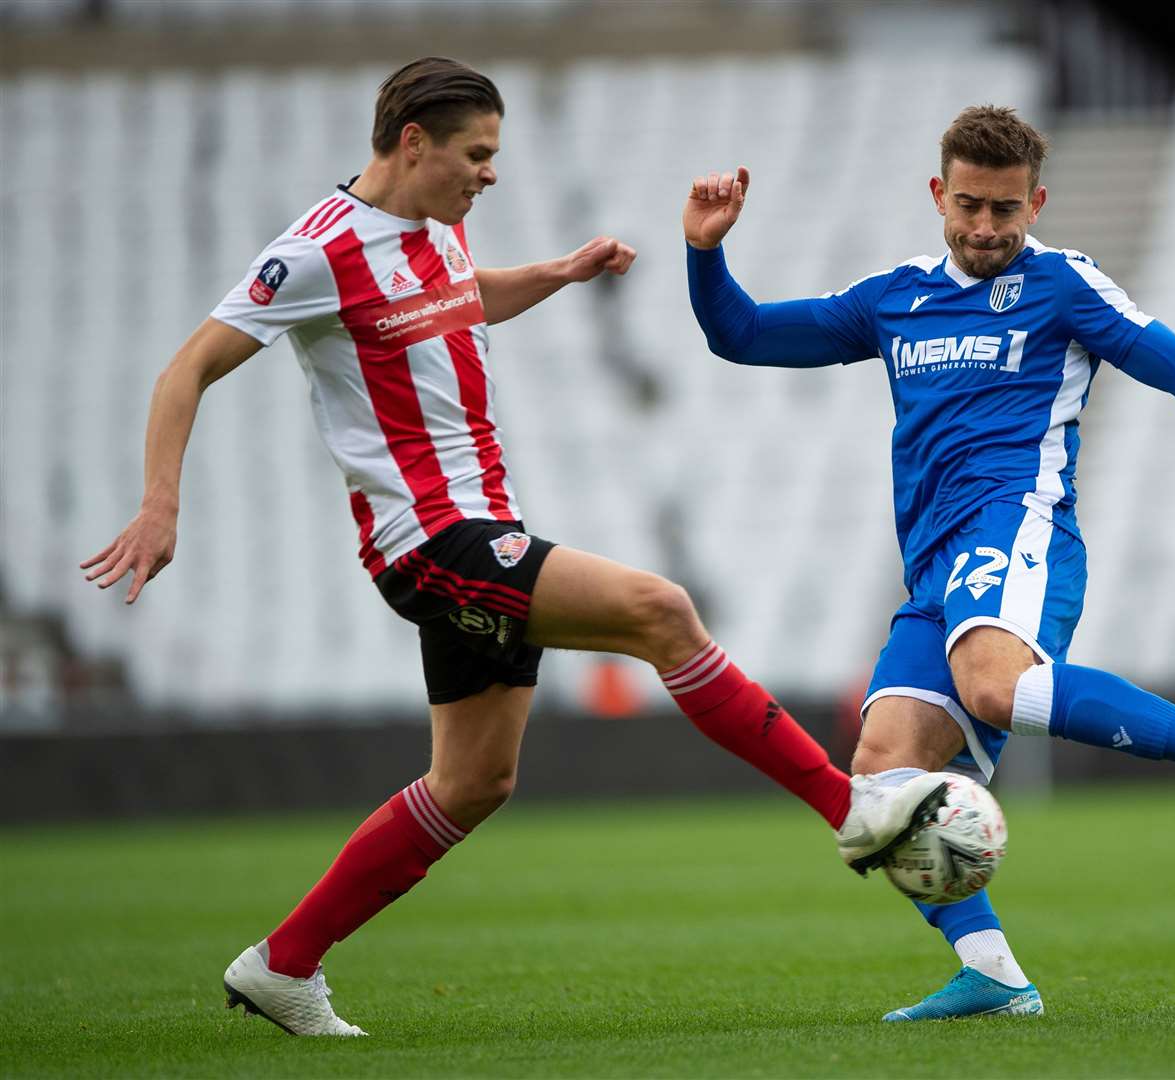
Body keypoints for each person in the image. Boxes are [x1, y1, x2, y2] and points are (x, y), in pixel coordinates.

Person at [81, 57, 945, 1038]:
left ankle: (283, 965)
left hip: (483, 528)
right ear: (414, 143)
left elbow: (460, 297)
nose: (490, 174)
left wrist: (559, 273)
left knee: (475, 782)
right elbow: (188, 365)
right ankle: (853, 810)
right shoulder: (316, 255)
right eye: (477, 154)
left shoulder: (440, 229)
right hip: (432, 539)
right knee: (662, 611)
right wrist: (161, 504)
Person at [682, 105, 1175, 1022]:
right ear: (936, 196)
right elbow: (742, 336)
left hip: (1022, 527)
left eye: (1005, 210)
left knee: (993, 686)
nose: (986, 228)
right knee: (878, 781)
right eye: (968, 207)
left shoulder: (1064, 285)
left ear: (1035, 202)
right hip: (935, 568)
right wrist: (705, 253)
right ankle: (993, 975)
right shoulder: (891, 298)